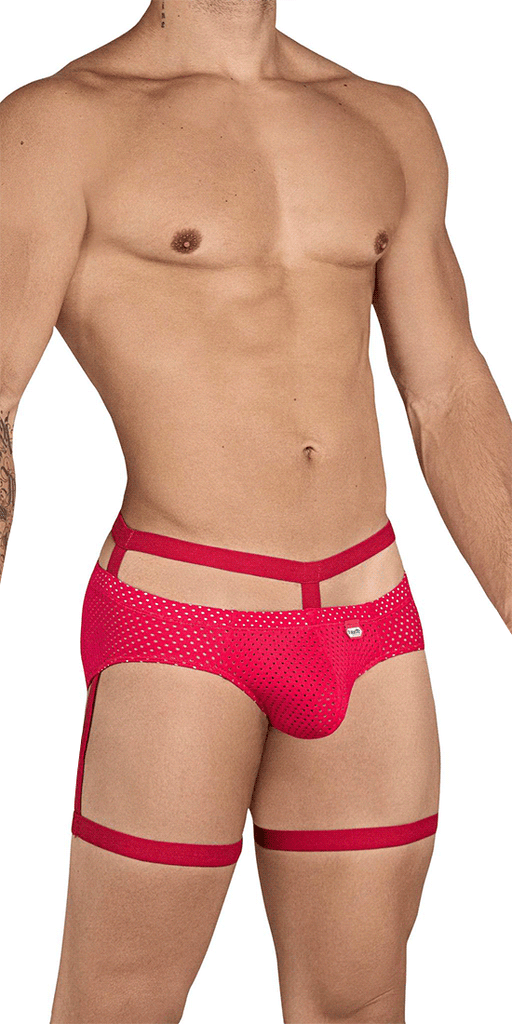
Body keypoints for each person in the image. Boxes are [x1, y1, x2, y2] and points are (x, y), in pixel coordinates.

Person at [1, 1, 511, 1021]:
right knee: (120, 1003)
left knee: (357, 1003)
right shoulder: (58, 125)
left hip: (370, 620)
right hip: (183, 621)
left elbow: (448, 391)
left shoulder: (384, 118)